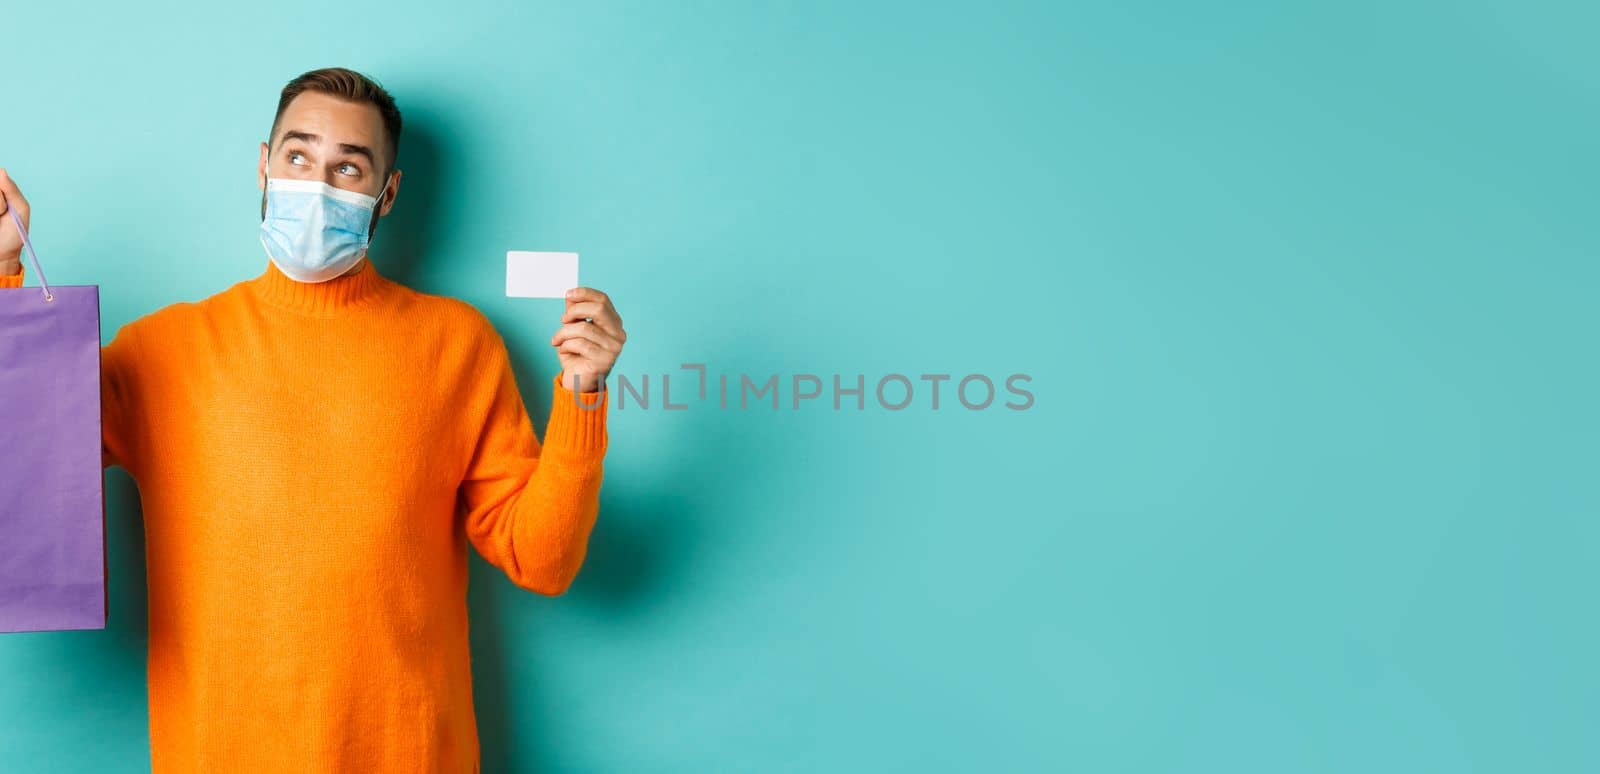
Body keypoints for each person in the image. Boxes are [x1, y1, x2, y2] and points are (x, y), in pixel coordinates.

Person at [0, 67, 627, 773]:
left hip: (412, 754)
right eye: (298, 157)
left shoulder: (459, 344)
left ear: (386, 195)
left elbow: (542, 560)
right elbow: (23, 475)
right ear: (263, 165)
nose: (316, 184)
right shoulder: (161, 351)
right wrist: (4, 273)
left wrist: (584, 396)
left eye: (348, 168)